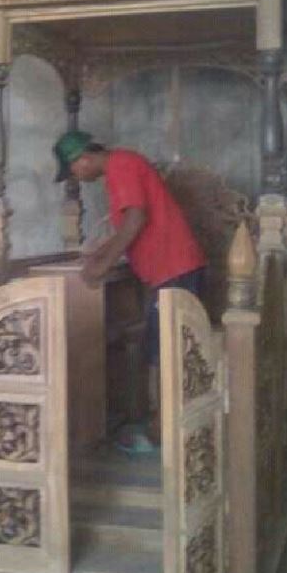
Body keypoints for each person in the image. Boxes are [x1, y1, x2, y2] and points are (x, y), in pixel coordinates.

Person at [53, 131, 206, 450]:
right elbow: (128, 226)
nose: (77, 178)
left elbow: (136, 218)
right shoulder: (121, 166)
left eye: (73, 171)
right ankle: (164, 427)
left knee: (164, 350)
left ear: (83, 159)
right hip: (169, 270)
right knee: (158, 345)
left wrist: (103, 265)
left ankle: (163, 433)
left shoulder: (121, 165)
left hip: (174, 268)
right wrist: (99, 254)